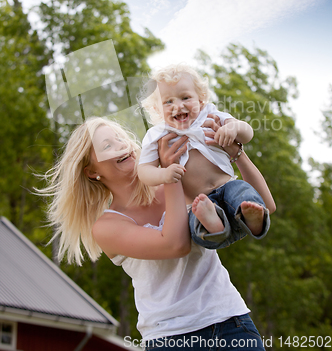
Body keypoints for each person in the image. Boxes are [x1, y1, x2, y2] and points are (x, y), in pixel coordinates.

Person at [40, 115, 270, 350]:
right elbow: (175, 245)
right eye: (107, 146)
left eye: (120, 139)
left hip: (230, 321)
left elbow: (264, 204)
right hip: (171, 338)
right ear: (91, 172)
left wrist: (237, 153)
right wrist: (170, 175)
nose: (122, 145)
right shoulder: (107, 227)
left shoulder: (174, 181)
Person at [138, 64, 275, 249]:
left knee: (243, 191)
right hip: (200, 200)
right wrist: (164, 174)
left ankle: (253, 219)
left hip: (228, 188)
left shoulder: (211, 115)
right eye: (168, 102)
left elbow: (247, 132)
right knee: (195, 221)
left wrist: (233, 128)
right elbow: (144, 171)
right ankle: (213, 225)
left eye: (185, 97)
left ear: (201, 99)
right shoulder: (157, 135)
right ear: (156, 109)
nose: (178, 105)